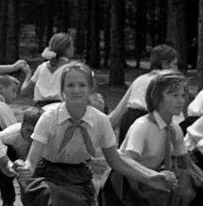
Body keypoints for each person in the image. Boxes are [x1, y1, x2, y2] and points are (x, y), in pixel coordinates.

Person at [17, 61, 177, 206]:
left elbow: (116, 160)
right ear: (62, 89)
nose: (76, 90)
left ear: (91, 88)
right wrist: (24, 169)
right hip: (47, 176)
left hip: (78, 177)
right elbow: (32, 161)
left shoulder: (100, 121)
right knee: (53, 198)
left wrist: (150, 177)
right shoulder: (49, 118)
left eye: (82, 85)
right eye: (70, 85)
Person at [99, 71, 203, 206]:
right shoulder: (142, 126)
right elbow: (127, 162)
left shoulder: (174, 129)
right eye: (174, 95)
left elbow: (189, 166)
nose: (181, 100)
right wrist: (142, 197)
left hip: (150, 183)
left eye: (183, 95)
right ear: (156, 97)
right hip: (123, 188)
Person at [106, 44, 179, 142]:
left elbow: (121, 110)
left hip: (128, 121)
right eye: (175, 64)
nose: (177, 69)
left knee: (127, 155)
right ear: (165, 64)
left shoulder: (139, 79)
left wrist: (103, 129)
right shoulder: (167, 83)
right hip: (149, 123)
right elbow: (173, 111)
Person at [0, 107, 43, 206]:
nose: (32, 136)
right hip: (14, 163)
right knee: (4, 150)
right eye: (29, 131)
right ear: (22, 126)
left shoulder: (47, 134)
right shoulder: (10, 134)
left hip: (39, 164)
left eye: (36, 132)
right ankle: (8, 202)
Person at [20, 32, 75, 107]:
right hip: (59, 111)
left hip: (39, 111)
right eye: (72, 45)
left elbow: (24, 92)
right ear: (67, 49)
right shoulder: (71, 69)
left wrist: (28, 74)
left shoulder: (41, 67)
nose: (73, 48)